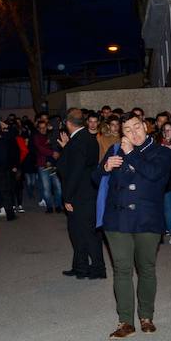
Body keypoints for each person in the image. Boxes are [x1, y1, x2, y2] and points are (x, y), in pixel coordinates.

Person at [94, 113, 171, 338]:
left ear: (146, 127)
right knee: (122, 269)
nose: (133, 133)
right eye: (127, 130)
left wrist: (130, 153)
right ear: (121, 133)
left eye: (137, 127)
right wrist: (105, 168)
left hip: (147, 219)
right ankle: (125, 321)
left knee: (146, 268)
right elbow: (94, 177)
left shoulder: (162, 153)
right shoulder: (114, 150)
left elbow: (153, 174)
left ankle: (146, 316)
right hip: (117, 220)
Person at [56, 108, 105, 280]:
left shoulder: (78, 141)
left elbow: (74, 171)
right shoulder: (86, 138)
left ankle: (98, 268)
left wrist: (67, 197)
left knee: (87, 233)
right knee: (76, 231)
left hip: (80, 194)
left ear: (68, 124)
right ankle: (80, 266)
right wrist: (66, 147)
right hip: (87, 191)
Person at [31, 119, 62, 213]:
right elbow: (40, 148)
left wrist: (56, 153)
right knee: (46, 188)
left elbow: (59, 146)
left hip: (54, 165)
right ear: (38, 129)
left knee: (58, 187)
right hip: (42, 165)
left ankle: (58, 206)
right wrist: (52, 153)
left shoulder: (53, 135)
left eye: (44, 127)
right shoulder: (36, 137)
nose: (43, 130)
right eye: (40, 128)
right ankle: (49, 207)